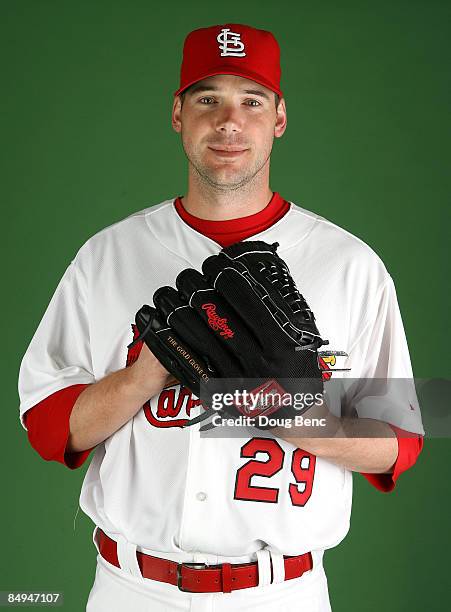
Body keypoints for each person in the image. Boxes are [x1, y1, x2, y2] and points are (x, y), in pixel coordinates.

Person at [18, 23, 424, 611]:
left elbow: (402, 442)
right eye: (207, 99)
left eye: (250, 101)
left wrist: (298, 420)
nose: (228, 121)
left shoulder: (350, 264)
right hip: (132, 590)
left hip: (281, 594)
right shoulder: (106, 256)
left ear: (279, 118)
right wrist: (143, 374)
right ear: (178, 114)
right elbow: (46, 426)